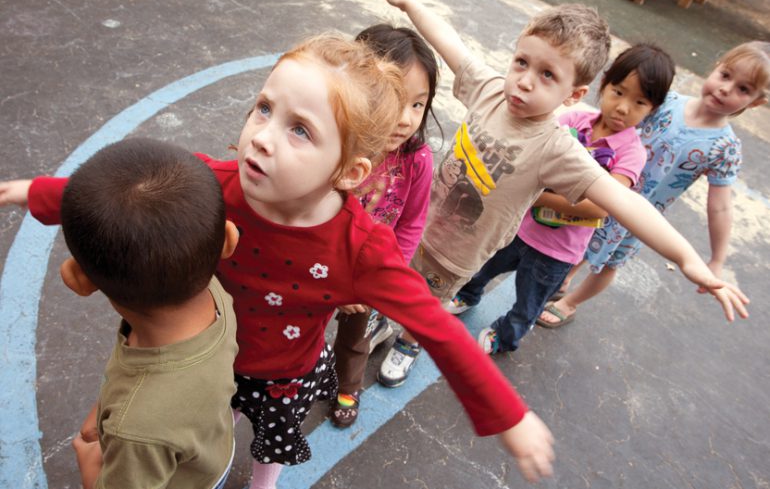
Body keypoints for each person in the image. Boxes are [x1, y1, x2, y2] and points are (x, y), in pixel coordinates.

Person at [2, 35, 556, 486]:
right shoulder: (214, 184)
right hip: (205, 355)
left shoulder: (359, 249)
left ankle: (263, 482)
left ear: (349, 171)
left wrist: (506, 414)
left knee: (273, 442)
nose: (262, 138)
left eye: (300, 130)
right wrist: (37, 192)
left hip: (281, 373)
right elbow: (123, 198)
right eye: (265, 108)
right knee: (212, 423)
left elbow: (436, 327)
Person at [372, 0, 748, 383]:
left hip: (457, 254)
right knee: (395, 283)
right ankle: (384, 319)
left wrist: (689, 259)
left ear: (575, 94)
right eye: (522, 62)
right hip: (417, 226)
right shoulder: (489, 92)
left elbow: (624, 203)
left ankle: (409, 343)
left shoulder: (556, 149)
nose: (525, 81)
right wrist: (411, 3)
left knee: (427, 305)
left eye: (547, 75)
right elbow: (452, 45)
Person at [444, 44, 675, 352]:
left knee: (530, 301)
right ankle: (469, 293)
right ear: (603, 84)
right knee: (485, 265)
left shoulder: (632, 152)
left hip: (557, 250)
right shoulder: (575, 120)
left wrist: (538, 197)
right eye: (618, 92)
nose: (623, 107)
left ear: (653, 110)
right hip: (519, 229)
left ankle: (507, 335)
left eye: (639, 102)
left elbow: (600, 205)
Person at [538, 41, 769, 328]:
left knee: (609, 263)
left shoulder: (725, 147)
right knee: (578, 238)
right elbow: (616, 118)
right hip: (608, 188)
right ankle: (567, 275)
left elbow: (720, 207)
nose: (726, 89)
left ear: (757, 102)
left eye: (743, 89)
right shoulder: (665, 102)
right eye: (725, 75)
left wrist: (717, 260)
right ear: (715, 68)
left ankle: (570, 303)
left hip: (637, 217)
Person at [58, 139, 239, 489]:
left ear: (79, 280)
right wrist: (108, 413)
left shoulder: (136, 430)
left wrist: (90, 467)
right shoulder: (215, 297)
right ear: (228, 240)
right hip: (213, 451)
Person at [331, 24, 438, 427]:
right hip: (317, 262)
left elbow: (410, 224)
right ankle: (287, 377)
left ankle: (348, 386)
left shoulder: (417, 160)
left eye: (418, 105)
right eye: (396, 100)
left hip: (367, 275)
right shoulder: (338, 142)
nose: (406, 119)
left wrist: (386, 274)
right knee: (299, 324)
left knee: (355, 339)